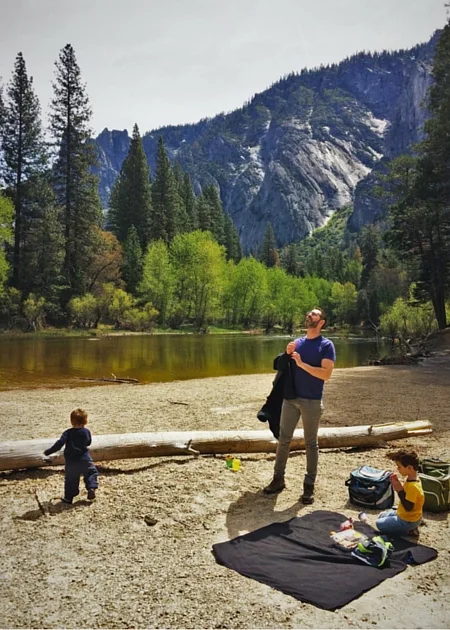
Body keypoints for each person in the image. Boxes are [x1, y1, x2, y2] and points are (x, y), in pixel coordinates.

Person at [263, 307, 336, 504]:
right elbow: (280, 366)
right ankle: (278, 479)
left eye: (314, 314)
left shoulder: (326, 345)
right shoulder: (297, 343)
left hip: (311, 400)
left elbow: (326, 375)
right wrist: (286, 354)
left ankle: (308, 487)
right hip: (290, 399)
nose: (309, 316)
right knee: (283, 440)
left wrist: (302, 364)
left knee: (311, 444)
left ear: (321, 322)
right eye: (308, 314)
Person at [44, 408, 99, 504]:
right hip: (85, 458)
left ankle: (69, 498)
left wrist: (49, 452)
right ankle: (91, 488)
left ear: (72, 421)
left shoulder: (68, 433)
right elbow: (89, 442)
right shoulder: (86, 432)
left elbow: (59, 443)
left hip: (71, 461)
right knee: (91, 473)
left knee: (71, 479)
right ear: (85, 421)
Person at [376, 449, 424, 537]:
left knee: (379, 524)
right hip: (404, 514)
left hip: (408, 520)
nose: (398, 469)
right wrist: (398, 484)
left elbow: (408, 507)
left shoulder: (413, 486)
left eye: (399, 467)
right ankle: (411, 527)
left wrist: (399, 490)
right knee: (381, 516)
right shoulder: (412, 479)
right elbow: (407, 495)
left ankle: (409, 530)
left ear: (409, 468)